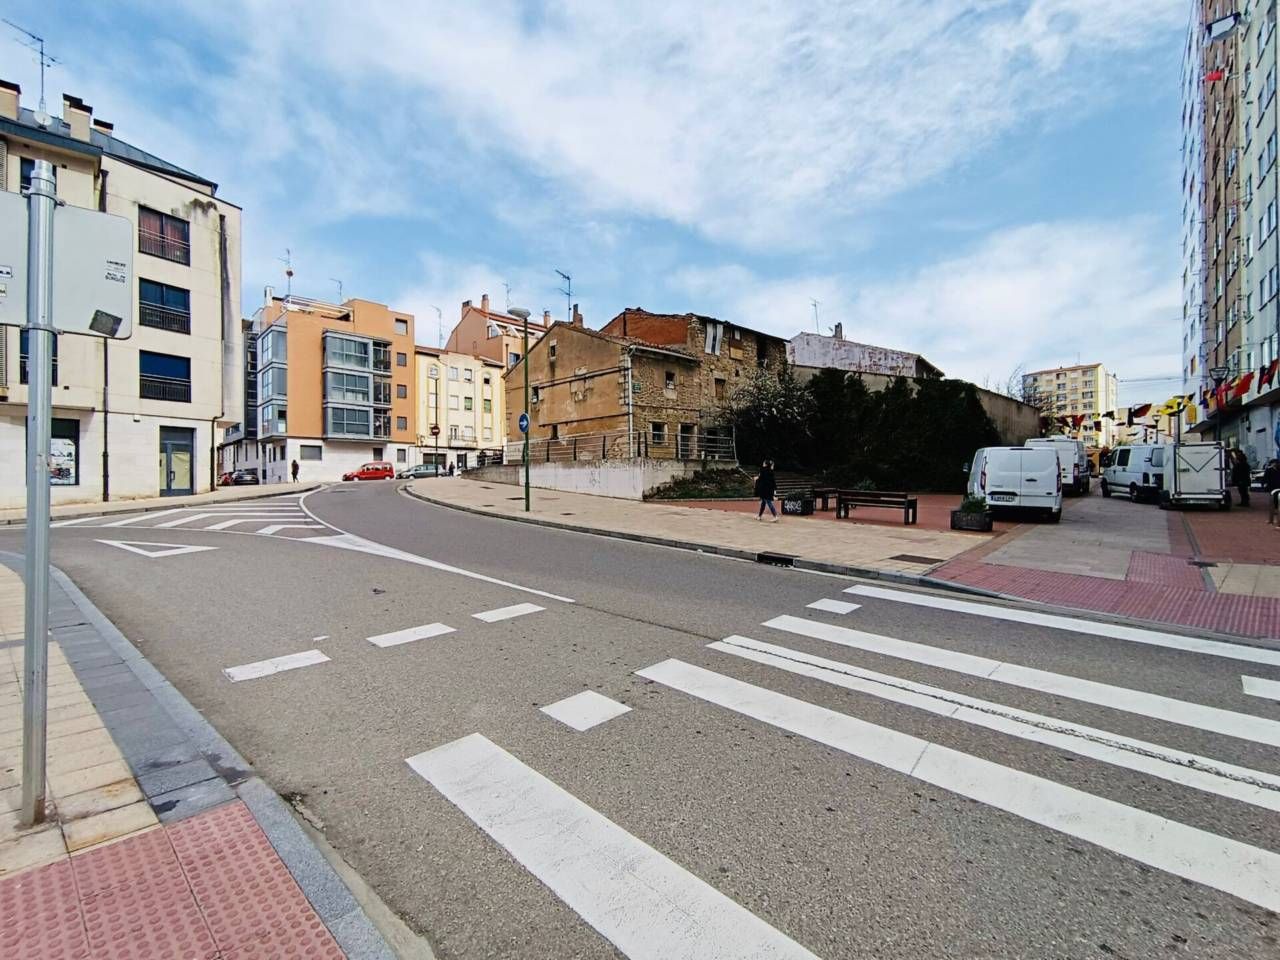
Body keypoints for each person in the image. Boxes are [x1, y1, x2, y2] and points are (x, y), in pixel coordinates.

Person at [1263, 458, 1280, 525]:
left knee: (1277, 503)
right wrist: (1264, 484)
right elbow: (1265, 478)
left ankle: (1276, 520)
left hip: (1278, 487)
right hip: (1272, 488)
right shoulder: (1269, 470)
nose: (1275, 464)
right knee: (1272, 502)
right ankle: (1271, 520)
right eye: (1273, 463)